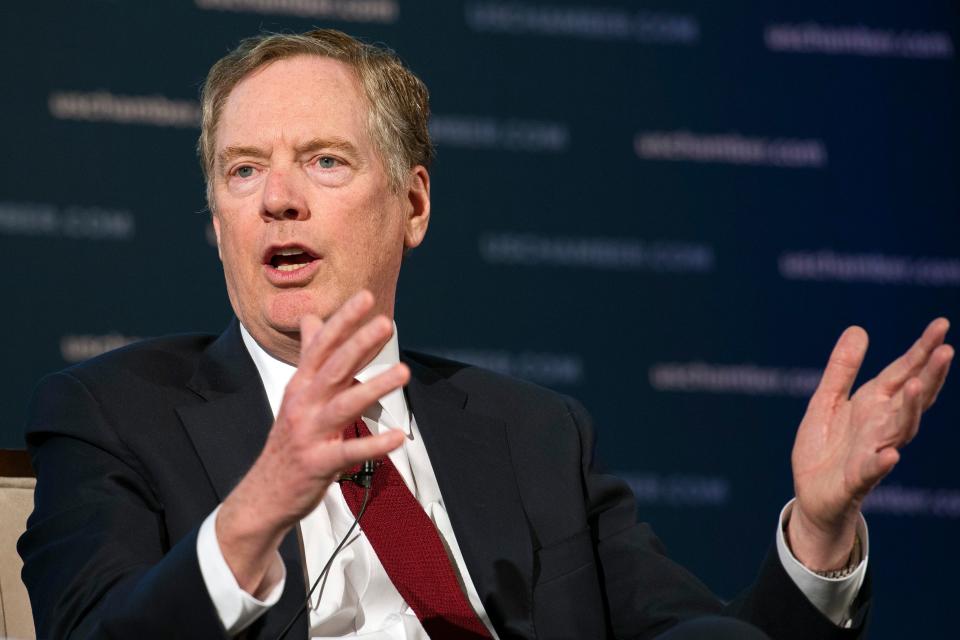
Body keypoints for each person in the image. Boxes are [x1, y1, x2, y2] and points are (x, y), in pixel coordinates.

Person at [18, 29, 953, 640]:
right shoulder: (110, 412)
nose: (278, 198)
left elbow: (688, 633)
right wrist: (262, 504)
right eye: (242, 169)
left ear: (414, 204)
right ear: (216, 218)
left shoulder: (534, 433)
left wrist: (820, 537)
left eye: (324, 160)